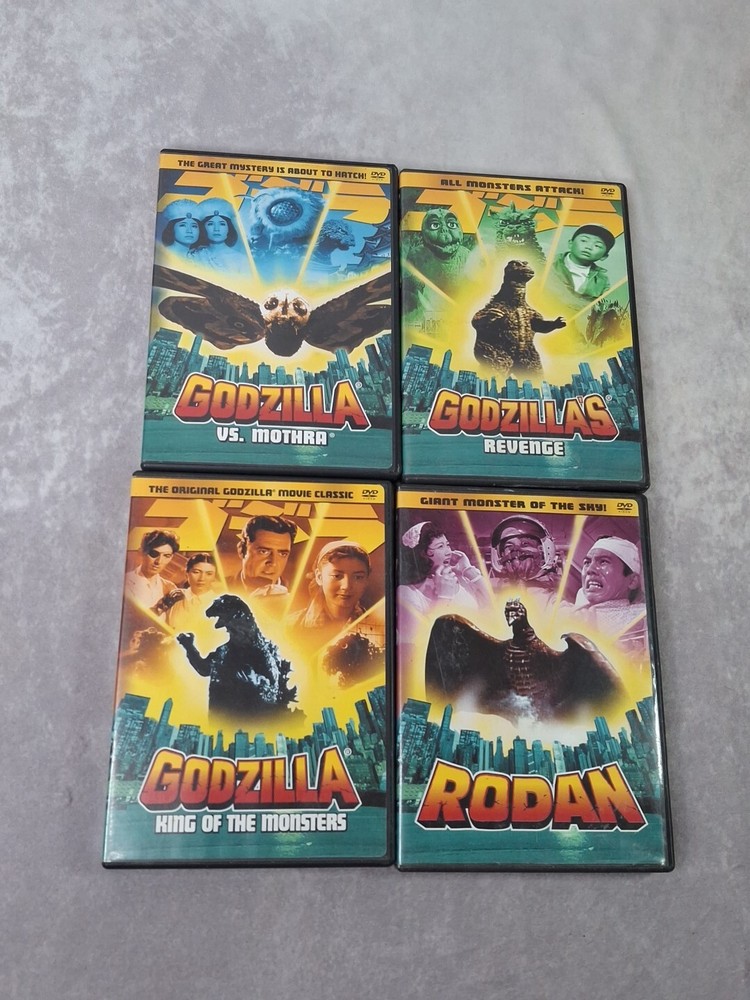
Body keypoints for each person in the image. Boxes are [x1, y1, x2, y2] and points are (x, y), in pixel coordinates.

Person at [565, 536, 647, 647]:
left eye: (603, 562)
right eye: (587, 562)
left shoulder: (642, 618)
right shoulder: (571, 613)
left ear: (632, 581)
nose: (590, 570)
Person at [397, 521, 486, 619]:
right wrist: (444, 598)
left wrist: (469, 570)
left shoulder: (459, 578)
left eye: (447, 545)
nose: (449, 552)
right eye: (440, 546)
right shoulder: (407, 592)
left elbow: (492, 606)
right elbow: (423, 629)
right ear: (422, 553)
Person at [290, 541, 371, 639]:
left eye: (358, 577)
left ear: (366, 580)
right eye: (337, 576)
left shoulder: (380, 624)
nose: (346, 586)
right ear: (319, 577)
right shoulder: (291, 626)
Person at [489, 515, 561, 599]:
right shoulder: (488, 589)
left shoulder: (557, 594)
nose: (515, 550)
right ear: (501, 555)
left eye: (525, 544)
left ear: (543, 551)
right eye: (509, 546)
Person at [549, 224, 615, 305]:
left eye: (597, 245)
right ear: (570, 243)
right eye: (584, 240)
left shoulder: (602, 281)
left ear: (604, 256)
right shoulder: (548, 263)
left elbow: (602, 307)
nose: (589, 247)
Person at [233, 515, 297, 597]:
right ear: (241, 550)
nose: (273, 563)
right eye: (263, 551)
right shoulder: (220, 589)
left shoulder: (298, 596)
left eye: (282, 554)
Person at [124, 529, 180, 616]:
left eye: (166, 556)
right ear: (142, 552)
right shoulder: (125, 583)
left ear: (171, 557)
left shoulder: (170, 587)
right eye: (154, 554)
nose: (159, 561)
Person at [166, 552, 220, 629]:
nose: (202, 578)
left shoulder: (220, 604)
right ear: (187, 574)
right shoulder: (174, 597)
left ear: (214, 577)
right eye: (196, 572)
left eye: (209, 574)